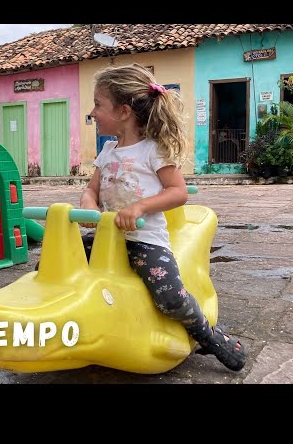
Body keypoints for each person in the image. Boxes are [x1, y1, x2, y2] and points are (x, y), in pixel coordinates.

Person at [81, 63, 247, 371]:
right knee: (60, 265)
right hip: (109, 238)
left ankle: (208, 336)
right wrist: (90, 206)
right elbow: (91, 190)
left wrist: (140, 207)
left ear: (124, 111)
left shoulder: (153, 150)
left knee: (169, 296)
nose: (92, 112)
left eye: (98, 105)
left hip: (144, 242)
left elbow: (177, 191)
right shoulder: (106, 152)